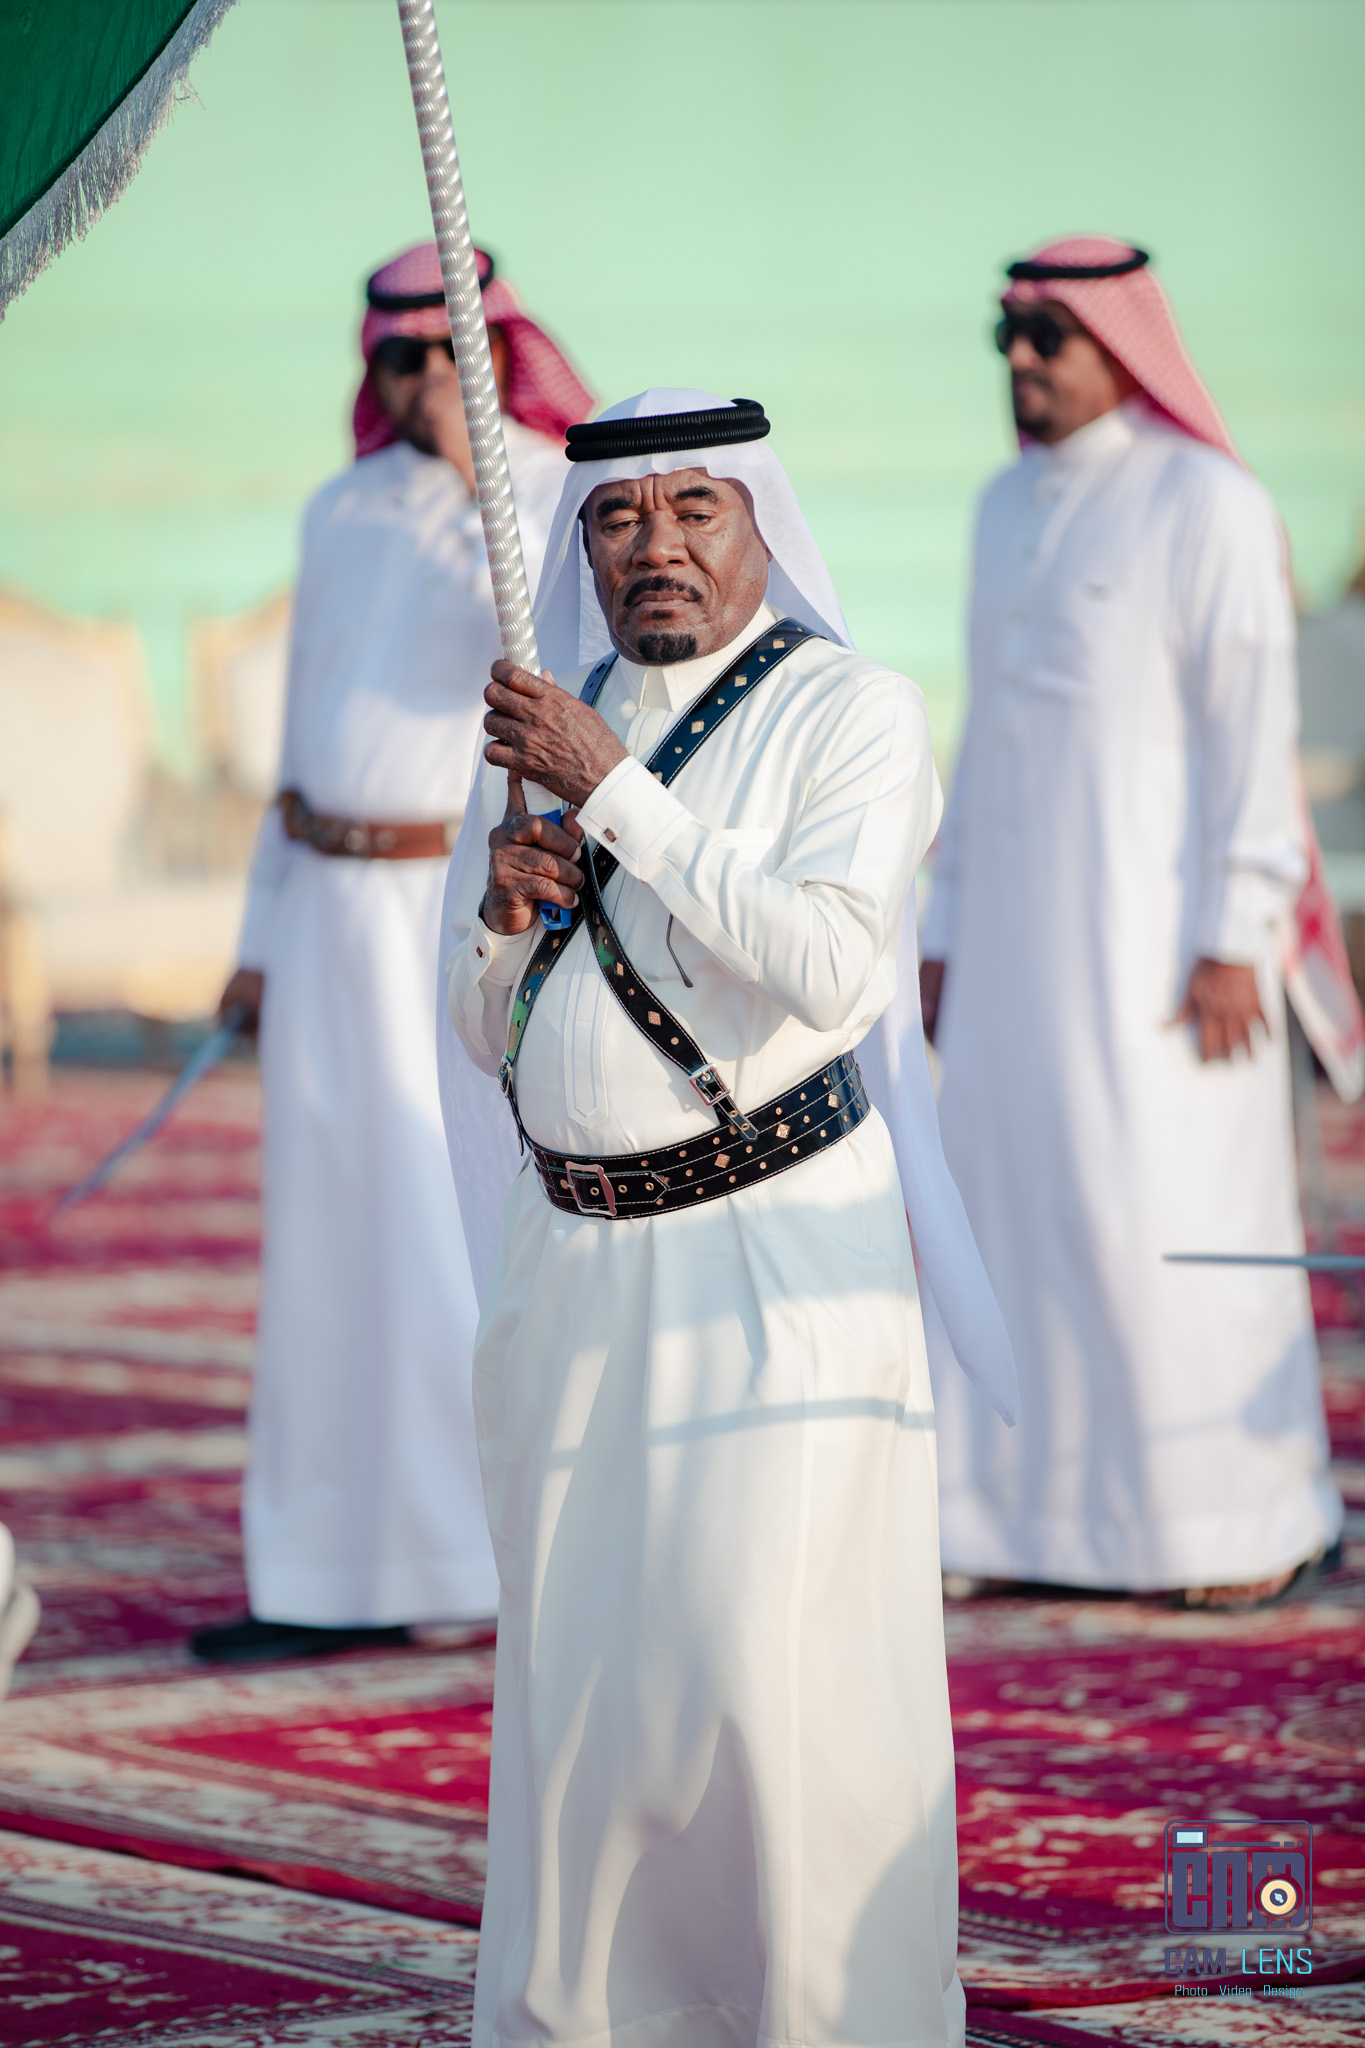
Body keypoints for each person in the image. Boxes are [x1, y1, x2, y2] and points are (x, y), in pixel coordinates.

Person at [441, 389, 1017, 2048]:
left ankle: (822, 2021)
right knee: (587, 1689)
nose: (658, 546)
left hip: (768, 1260)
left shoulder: (851, 712)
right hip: (567, 1266)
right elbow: (490, 1034)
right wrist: (499, 922)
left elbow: (829, 967)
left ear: (760, 524)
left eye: (696, 509)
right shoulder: (551, 718)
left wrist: (613, 790)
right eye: (620, 518)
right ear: (582, 546)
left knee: (771, 1685)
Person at [921, 235, 1349, 1609]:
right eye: (1007, 336)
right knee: (1013, 1219)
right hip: (1010, 956)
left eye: (1048, 334)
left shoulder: (1205, 501)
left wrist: (1236, 932)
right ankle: (1016, 1524)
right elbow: (983, 734)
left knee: (1166, 1222)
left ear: (1121, 343)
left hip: (1164, 955)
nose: (1022, 359)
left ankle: (1238, 1525)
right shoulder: (1000, 506)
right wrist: (941, 930)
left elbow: (1250, 733)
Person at [192, 244, 592, 1663]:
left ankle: (459, 1566)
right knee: (322, 1249)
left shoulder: (544, 499)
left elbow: (545, 676)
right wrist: (257, 938)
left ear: (496, 352)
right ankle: (315, 1570)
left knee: (436, 1232)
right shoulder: (340, 509)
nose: (421, 379)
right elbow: (299, 742)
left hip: (442, 911)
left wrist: (487, 472)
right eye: (397, 358)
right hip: (319, 911)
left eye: (447, 353)